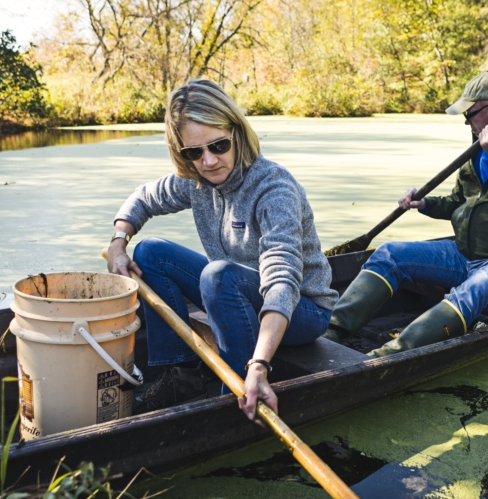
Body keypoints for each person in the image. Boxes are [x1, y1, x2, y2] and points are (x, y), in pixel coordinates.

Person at [108, 79, 338, 420]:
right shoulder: (196, 179)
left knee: (217, 276)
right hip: (233, 290)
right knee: (150, 252)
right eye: (193, 152)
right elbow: (144, 197)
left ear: (237, 133)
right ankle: (181, 376)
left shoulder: (274, 188)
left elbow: (281, 280)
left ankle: (235, 389)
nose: (209, 161)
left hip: (299, 310)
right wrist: (118, 241)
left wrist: (259, 365)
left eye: (218, 146)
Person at [323, 71, 488, 356]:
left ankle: (389, 355)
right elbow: (460, 202)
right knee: (389, 254)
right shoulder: (478, 147)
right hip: (464, 253)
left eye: (470, 114)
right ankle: (332, 331)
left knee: (473, 290)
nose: (466, 121)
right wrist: (425, 204)